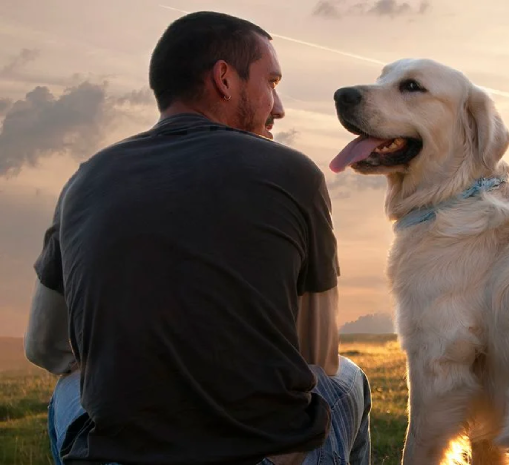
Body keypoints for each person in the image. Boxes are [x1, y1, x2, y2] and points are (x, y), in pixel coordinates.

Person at [23, 11, 371, 465]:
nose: (280, 107)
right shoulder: (293, 172)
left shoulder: (85, 181)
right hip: (264, 454)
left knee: (71, 386)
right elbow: (317, 356)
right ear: (224, 78)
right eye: (272, 83)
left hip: (119, 454)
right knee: (348, 378)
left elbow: (44, 347)